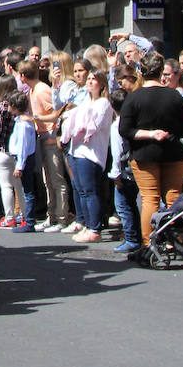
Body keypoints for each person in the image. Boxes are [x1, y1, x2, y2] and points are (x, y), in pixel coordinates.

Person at [118, 52, 183, 248]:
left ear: (141, 71)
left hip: (144, 153)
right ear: (161, 73)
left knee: (150, 198)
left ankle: (149, 243)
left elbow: (124, 130)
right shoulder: (175, 96)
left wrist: (149, 134)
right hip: (174, 152)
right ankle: (174, 240)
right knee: (173, 196)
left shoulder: (134, 98)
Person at [60, 70, 112, 243]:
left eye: (94, 79)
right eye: (88, 79)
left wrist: (74, 119)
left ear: (102, 83)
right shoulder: (85, 101)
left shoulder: (103, 103)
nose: (90, 82)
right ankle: (87, 224)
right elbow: (70, 121)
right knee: (82, 191)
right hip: (77, 150)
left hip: (91, 154)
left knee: (90, 191)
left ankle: (95, 228)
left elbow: (89, 124)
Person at [19, 60, 70, 233]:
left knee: (56, 180)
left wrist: (36, 120)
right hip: (42, 136)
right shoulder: (34, 90)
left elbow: (57, 113)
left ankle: (62, 218)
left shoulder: (41, 90)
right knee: (48, 180)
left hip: (49, 137)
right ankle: (52, 216)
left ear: (23, 76)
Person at [107, 89, 140, 254]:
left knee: (123, 206)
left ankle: (132, 238)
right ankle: (136, 236)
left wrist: (116, 174)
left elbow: (117, 152)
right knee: (133, 205)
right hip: (135, 167)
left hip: (124, 170)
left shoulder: (117, 125)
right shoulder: (135, 121)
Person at [0, 75, 21, 229]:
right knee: (19, 186)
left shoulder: (0, 106)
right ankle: (23, 215)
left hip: (1, 149)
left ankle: (9, 217)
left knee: (6, 186)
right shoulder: (19, 103)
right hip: (17, 150)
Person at [7, 91, 37, 233]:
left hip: (25, 159)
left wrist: (19, 166)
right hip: (22, 158)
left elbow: (23, 146)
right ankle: (28, 219)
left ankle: (30, 221)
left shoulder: (24, 125)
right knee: (26, 190)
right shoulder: (20, 121)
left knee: (28, 191)